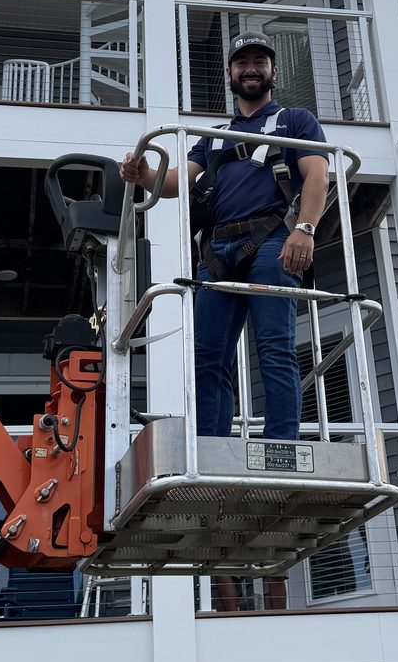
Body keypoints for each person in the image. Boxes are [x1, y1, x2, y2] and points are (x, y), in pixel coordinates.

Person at [119, 33, 329, 446]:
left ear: (272, 71)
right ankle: (210, 448)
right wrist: (143, 175)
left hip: (273, 242)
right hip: (217, 252)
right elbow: (175, 181)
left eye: (259, 62)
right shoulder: (213, 135)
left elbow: (318, 175)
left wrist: (304, 229)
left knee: (275, 348)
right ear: (230, 73)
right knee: (206, 357)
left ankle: (281, 447)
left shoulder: (295, 121)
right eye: (242, 63)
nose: (251, 69)